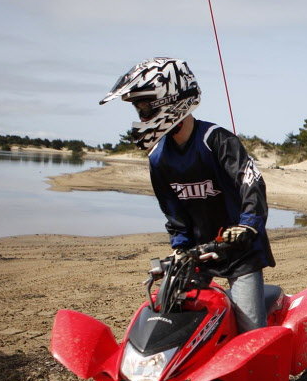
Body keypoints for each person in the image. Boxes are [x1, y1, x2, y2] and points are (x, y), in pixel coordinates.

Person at [100, 57, 275, 332]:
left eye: (145, 106)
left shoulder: (217, 140)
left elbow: (250, 182)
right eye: (139, 108)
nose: (141, 115)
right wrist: (179, 246)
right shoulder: (159, 158)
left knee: (250, 331)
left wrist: (248, 225)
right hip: (198, 254)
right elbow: (172, 210)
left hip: (240, 252)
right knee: (172, 317)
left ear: (170, 99)